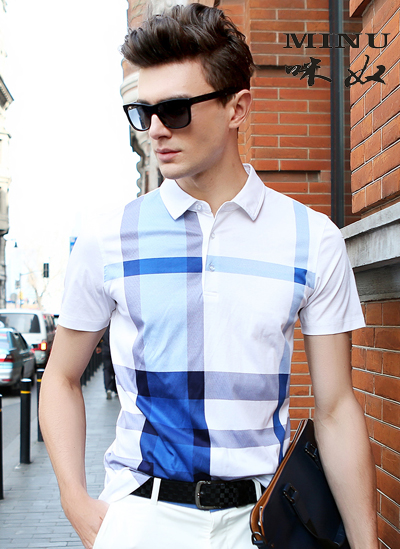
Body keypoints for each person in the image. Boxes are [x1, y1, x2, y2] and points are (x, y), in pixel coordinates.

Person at [39, 4, 378, 549]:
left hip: (262, 522)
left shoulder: (312, 238)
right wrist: (74, 499)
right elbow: (60, 377)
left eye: (175, 110)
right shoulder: (110, 238)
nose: (155, 130)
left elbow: (336, 408)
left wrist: (365, 544)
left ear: (237, 107)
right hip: (141, 518)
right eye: (141, 112)